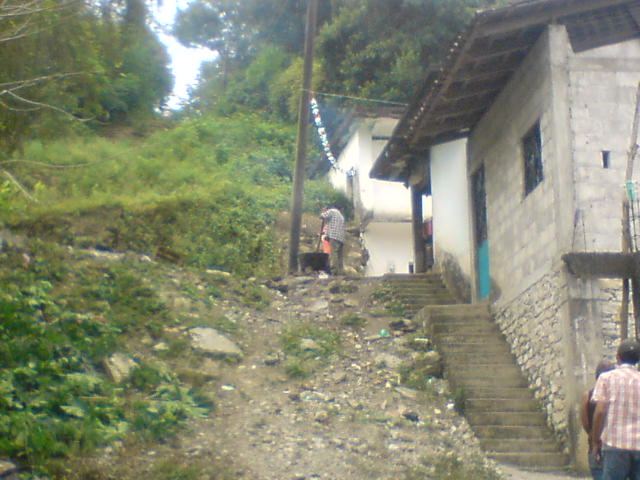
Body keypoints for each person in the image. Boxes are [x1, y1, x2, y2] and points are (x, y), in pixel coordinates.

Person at [592, 339, 640, 480]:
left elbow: (600, 411)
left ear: (618, 357)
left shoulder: (606, 378)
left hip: (614, 443)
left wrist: (595, 441)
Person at [581, 359, 615, 480]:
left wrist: (592, 435)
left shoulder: (588, 395)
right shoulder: (615, 394)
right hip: (613, 444)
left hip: (596, 444)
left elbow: (585, 421)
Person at [320, 205, 345, 275]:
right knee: (339, 255)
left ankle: (334, 272)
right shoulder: (340, 215)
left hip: (334, 236)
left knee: (333, 254)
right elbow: (332, 225)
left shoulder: (331, 211)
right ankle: (341, 272)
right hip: (341, 237)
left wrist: (323, 212)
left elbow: (322, 216)